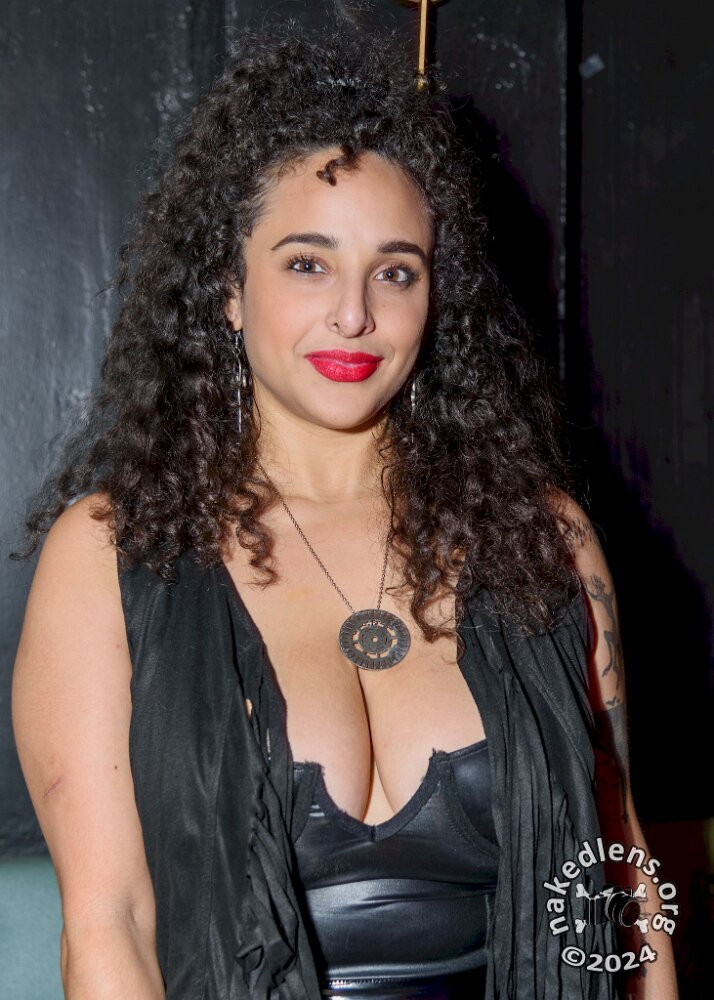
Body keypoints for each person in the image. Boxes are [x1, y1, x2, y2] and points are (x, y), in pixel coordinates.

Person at [10, 17, 678, 1000]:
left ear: (435, 297)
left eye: (395, 271)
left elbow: (620, 870)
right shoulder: (111, 554)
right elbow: (113, 926)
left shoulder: (543, 540)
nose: (355, 314)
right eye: (307, 262)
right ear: (229, 288)